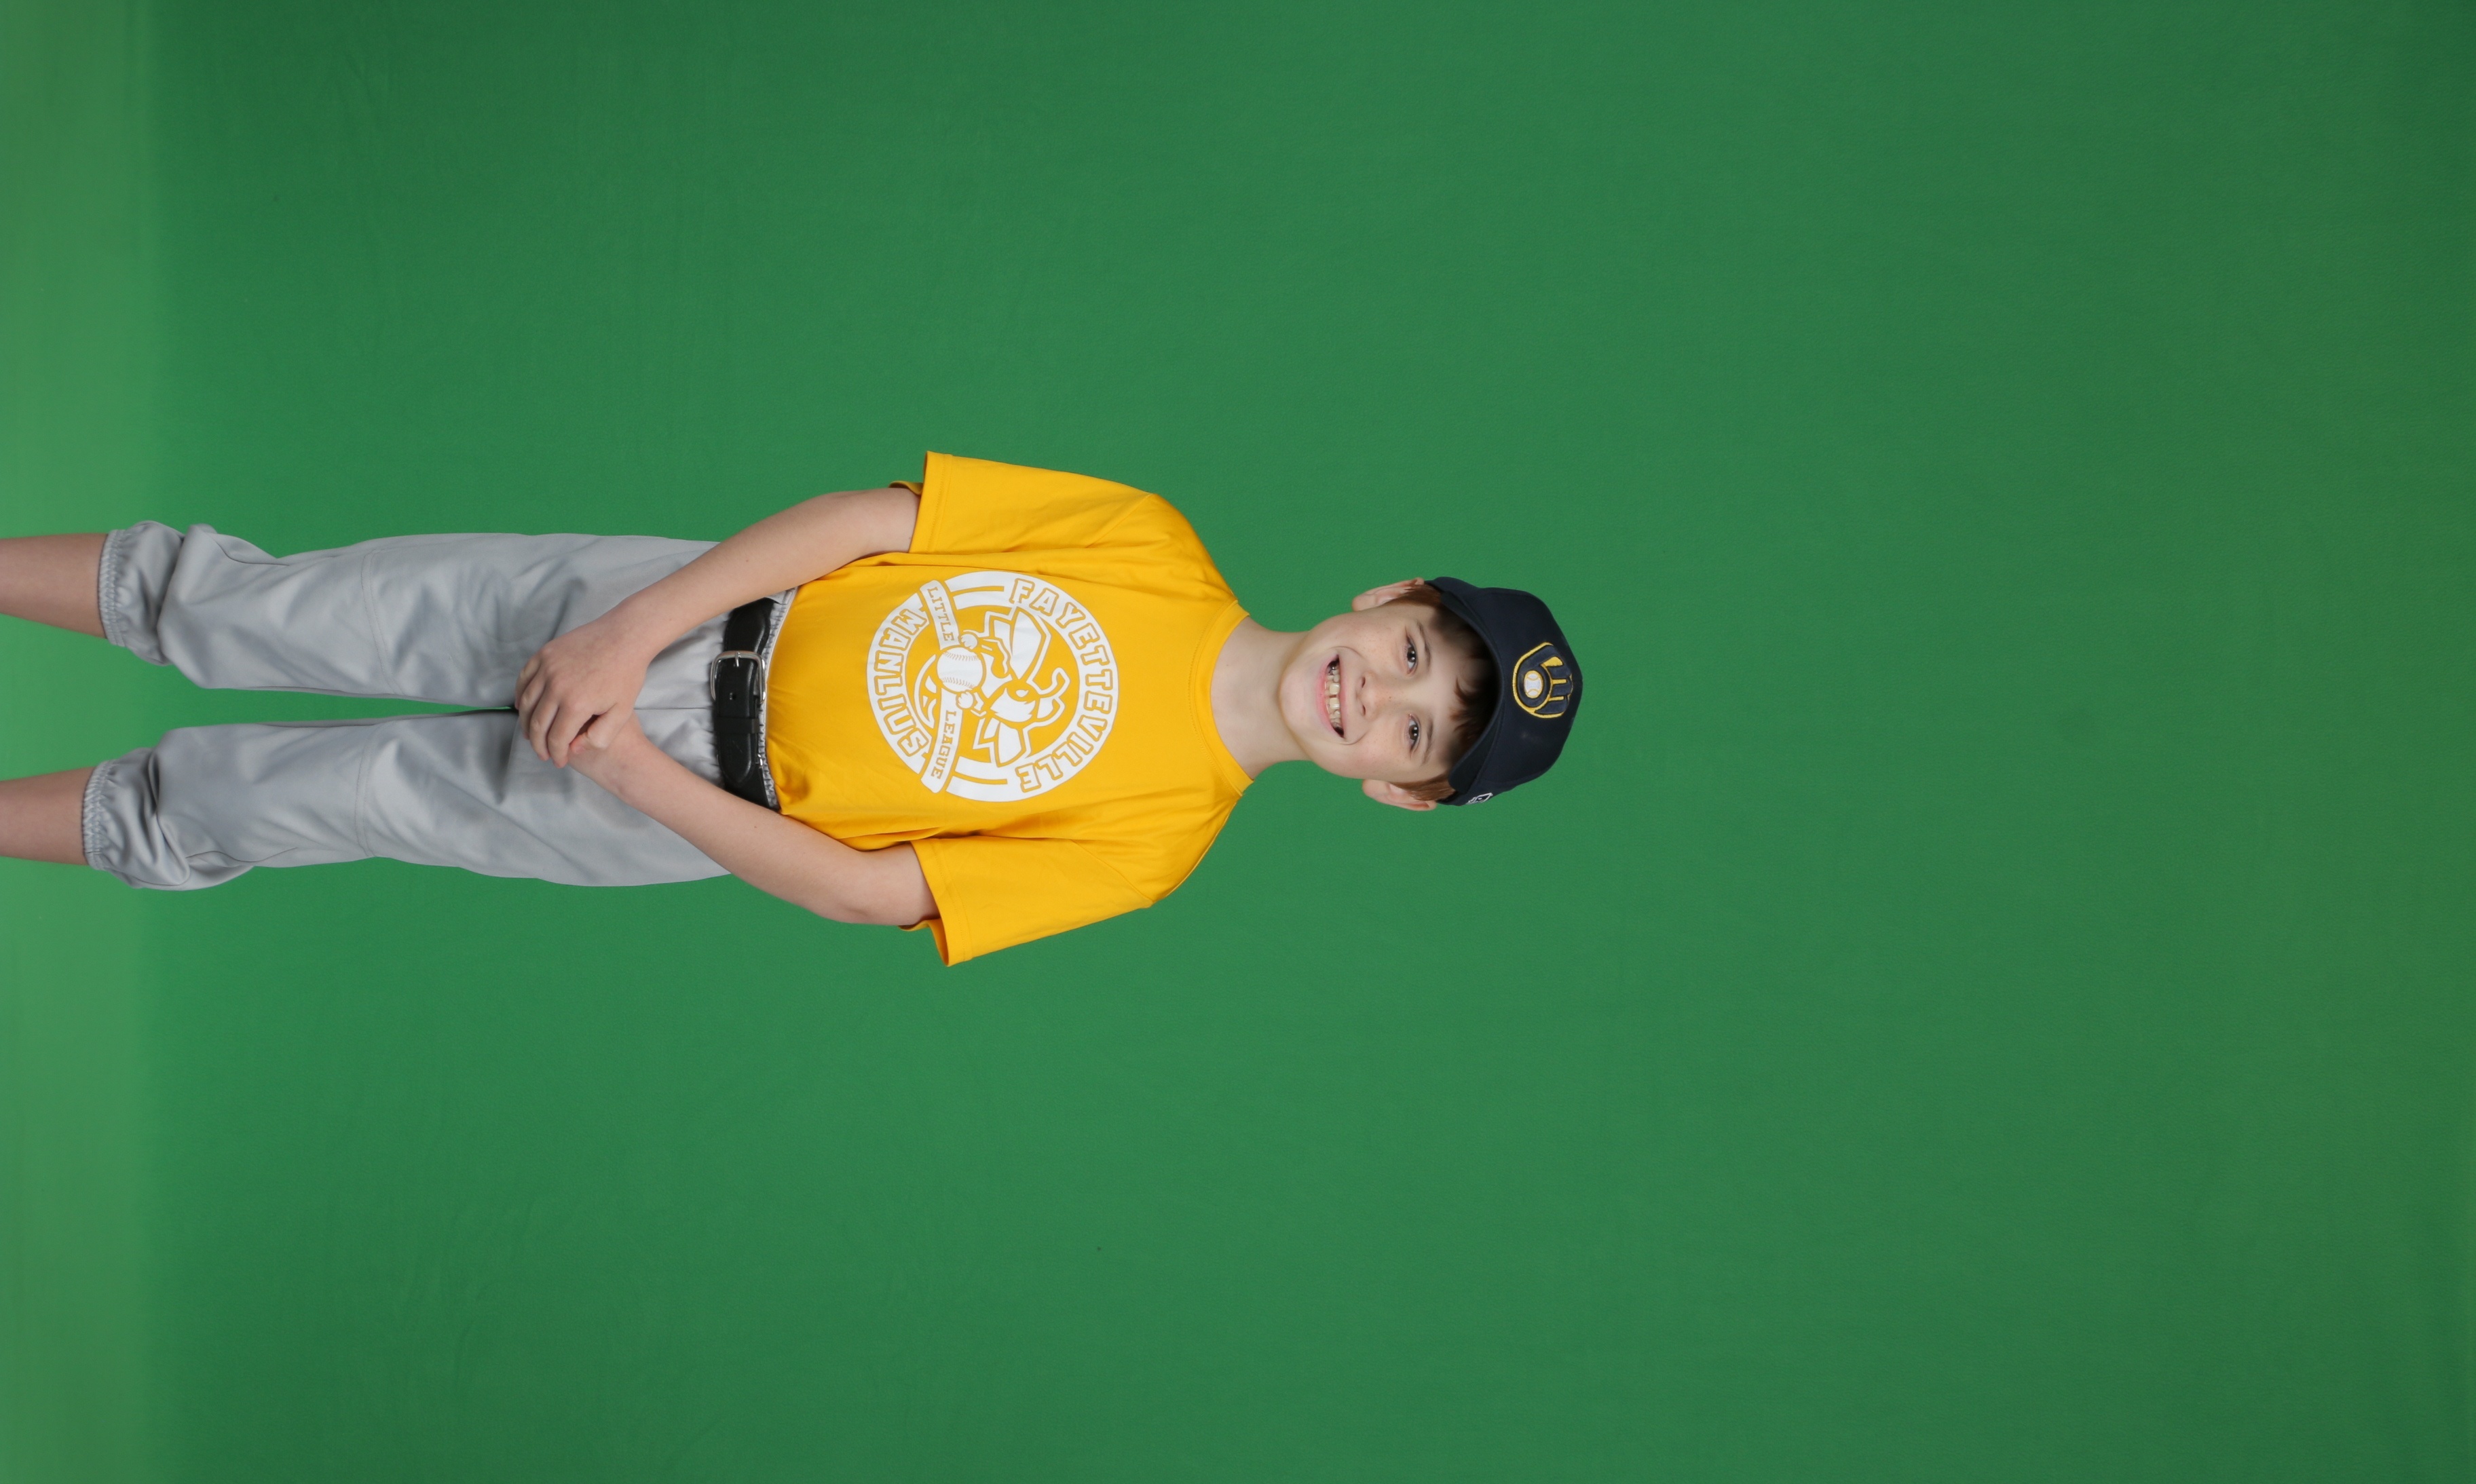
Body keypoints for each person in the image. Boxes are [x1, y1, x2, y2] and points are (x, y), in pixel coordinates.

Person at [0, 455, 1583, 962]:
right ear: (1389, 595)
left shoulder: (1156, 842)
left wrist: (631, 771)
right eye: (1414, 651)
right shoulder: (1150, 543)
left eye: (1418, 732)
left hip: (680, 803)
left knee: (282, 804)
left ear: (1399, 790)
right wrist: (629, 634)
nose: (1381, 695)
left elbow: (872, 889)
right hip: (675, 610)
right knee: (268, 606)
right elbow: (878, 520)